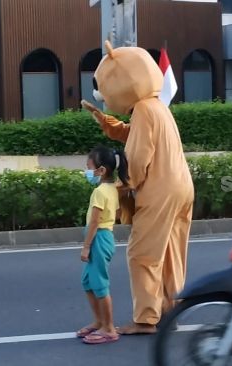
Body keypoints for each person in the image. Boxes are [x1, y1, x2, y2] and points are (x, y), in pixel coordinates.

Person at [81, 40, 194, 335]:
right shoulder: (156, 106)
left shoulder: (144, 109)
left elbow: (139, 156)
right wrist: (104, 120)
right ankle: (172, 308)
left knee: (142, 254)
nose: (104, 97)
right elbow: (133, 134)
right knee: (171, 253)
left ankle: (145, 319)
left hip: (159, 191)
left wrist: (123, 185)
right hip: (182, 187)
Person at [76, 145, 129, 345]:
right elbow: (114, 215)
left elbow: (95, 223)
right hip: (104, 237)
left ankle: (108, 328)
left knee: (99, 284)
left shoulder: (100, 192)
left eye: (89, 167)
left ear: (101, 170)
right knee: (87, 282)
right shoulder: (112, 189)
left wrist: (86, 246)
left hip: (98, 238)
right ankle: (99, 321)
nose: (87, 171)